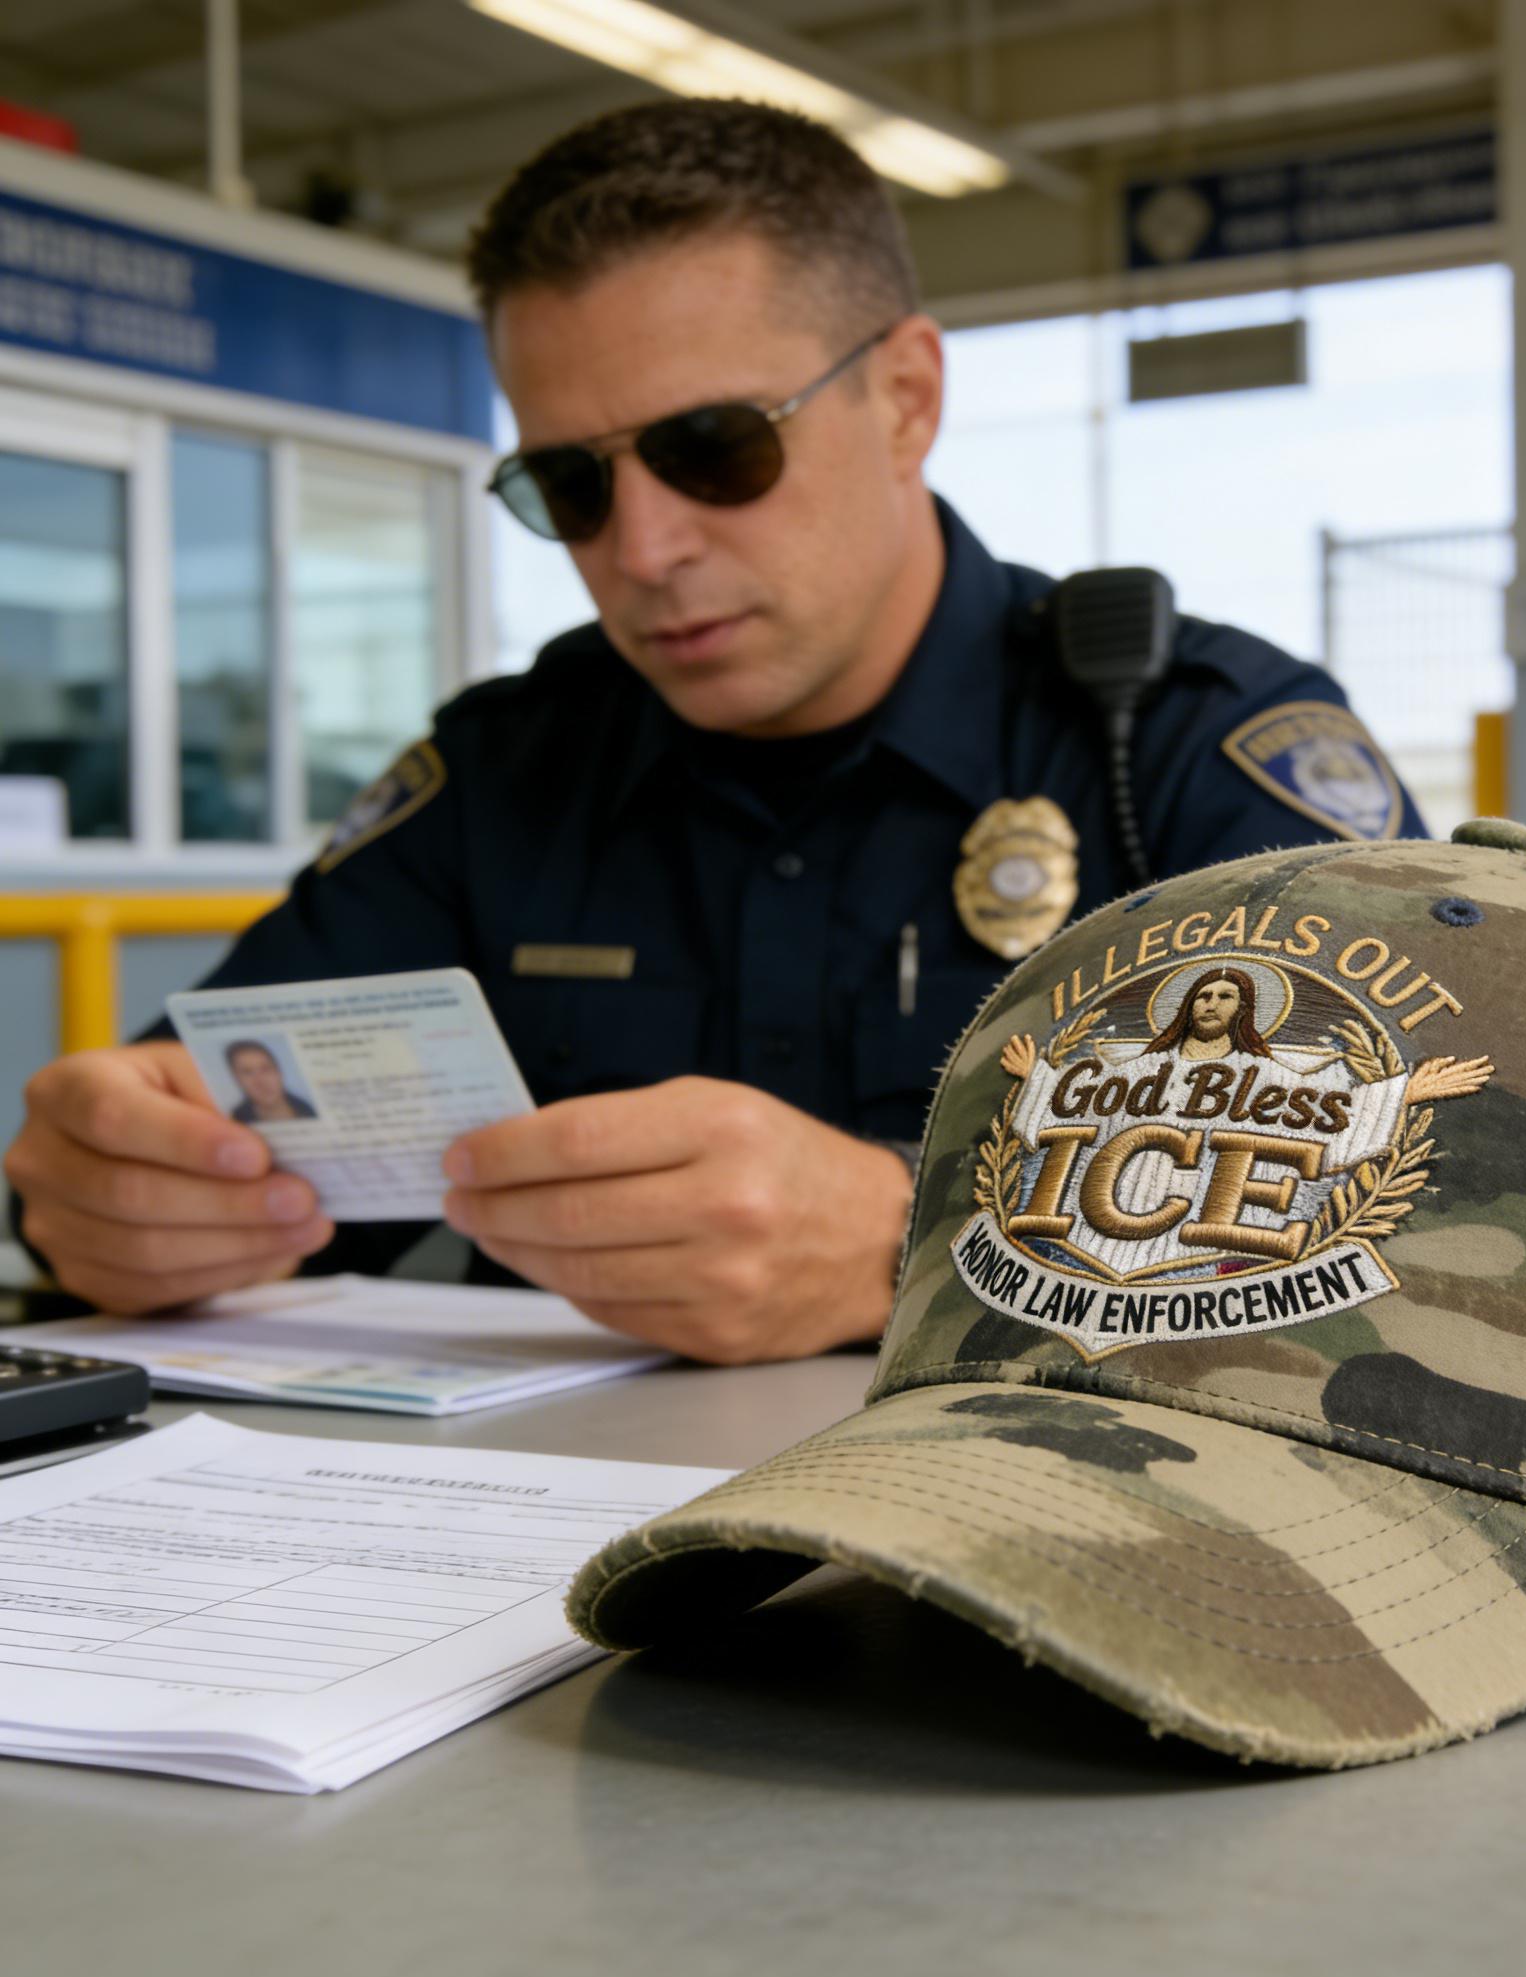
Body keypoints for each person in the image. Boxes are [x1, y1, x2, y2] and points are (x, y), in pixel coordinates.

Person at [3, 99, 1427, 1364]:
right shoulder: (506, 775)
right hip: (527, 1588)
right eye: (569, 484)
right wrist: (104, 1204)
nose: (644, 544)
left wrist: (908, 1239)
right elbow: (194, 1124)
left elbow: (1461, 1215)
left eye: (714, 449)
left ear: (907, 400)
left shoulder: (1177, 750)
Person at [223, 1041, 318, 1125]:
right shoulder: (234, 1122)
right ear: (237, 1080)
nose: (260, 1081)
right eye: (247, 1072)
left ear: (279, 1072)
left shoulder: (310, 1110)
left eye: (266, 1069)